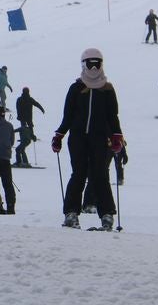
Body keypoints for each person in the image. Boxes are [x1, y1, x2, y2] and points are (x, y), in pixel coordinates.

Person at [52, 48, 124, 230]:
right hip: (78, 138)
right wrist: (59, 135)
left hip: (100, 139)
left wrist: (117, 135)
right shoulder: (76, 88)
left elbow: (112, 116)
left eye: (97, 63)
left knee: (100, 175)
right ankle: (71, 213)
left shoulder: (107, 89)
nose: (93, 68)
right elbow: (67, 115)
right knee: (79, 173)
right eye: (90, 64)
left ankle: (107, 214)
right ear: (83, 65)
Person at [14, 87, 45, 167]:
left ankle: (24, 137)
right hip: (29, 117)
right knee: (30, 127)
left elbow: (17, 107)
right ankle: (31, 136)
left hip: (22, 117)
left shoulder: (19, 99)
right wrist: (42, 109)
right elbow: (36, 104)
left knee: (23, 128)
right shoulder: (30, 99)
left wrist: (18, 115)